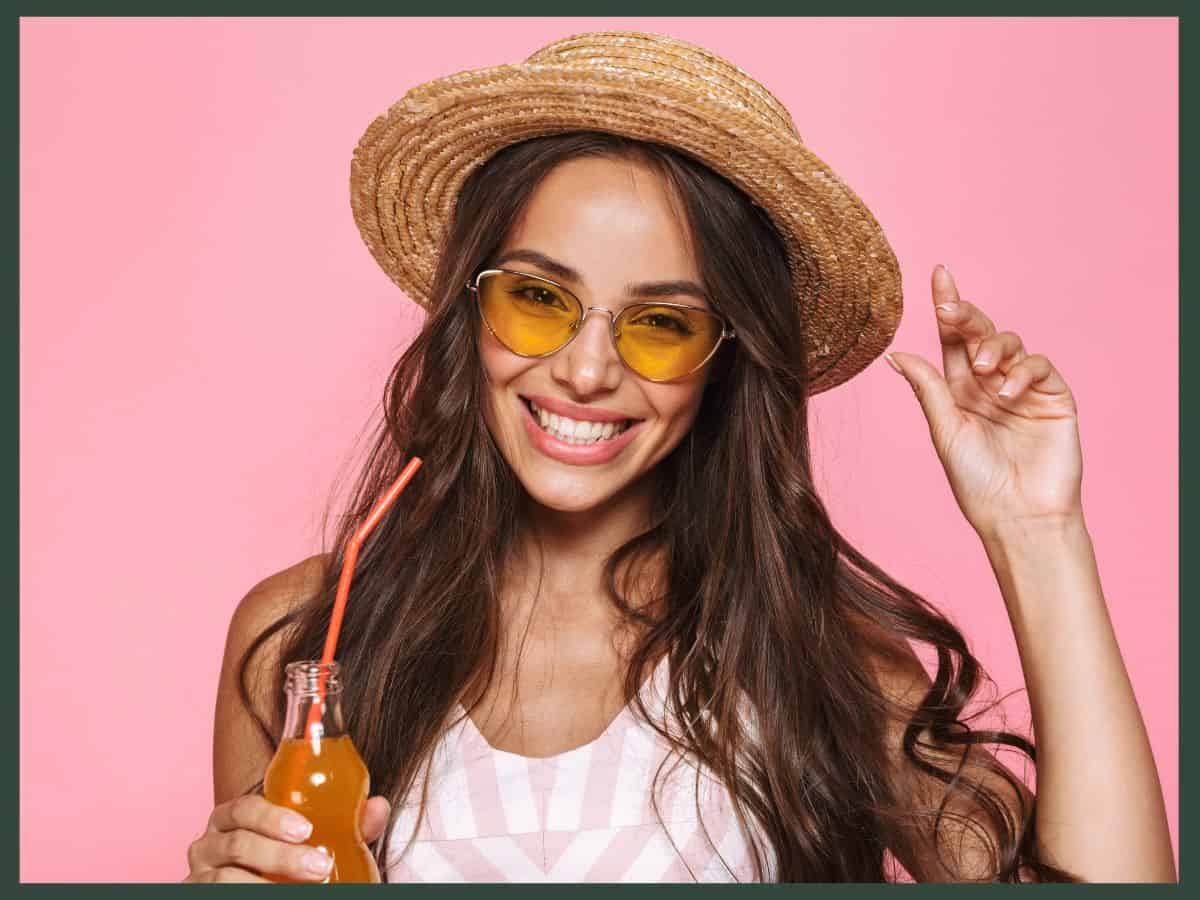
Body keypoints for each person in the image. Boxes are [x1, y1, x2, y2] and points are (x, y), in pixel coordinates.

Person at [184, 30, 1176, 883]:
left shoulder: (813, 659)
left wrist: (1038, 530)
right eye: (537, 299)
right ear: (469, 315)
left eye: (659, 323)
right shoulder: (303, 644)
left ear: (723, 361)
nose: (584, 371)